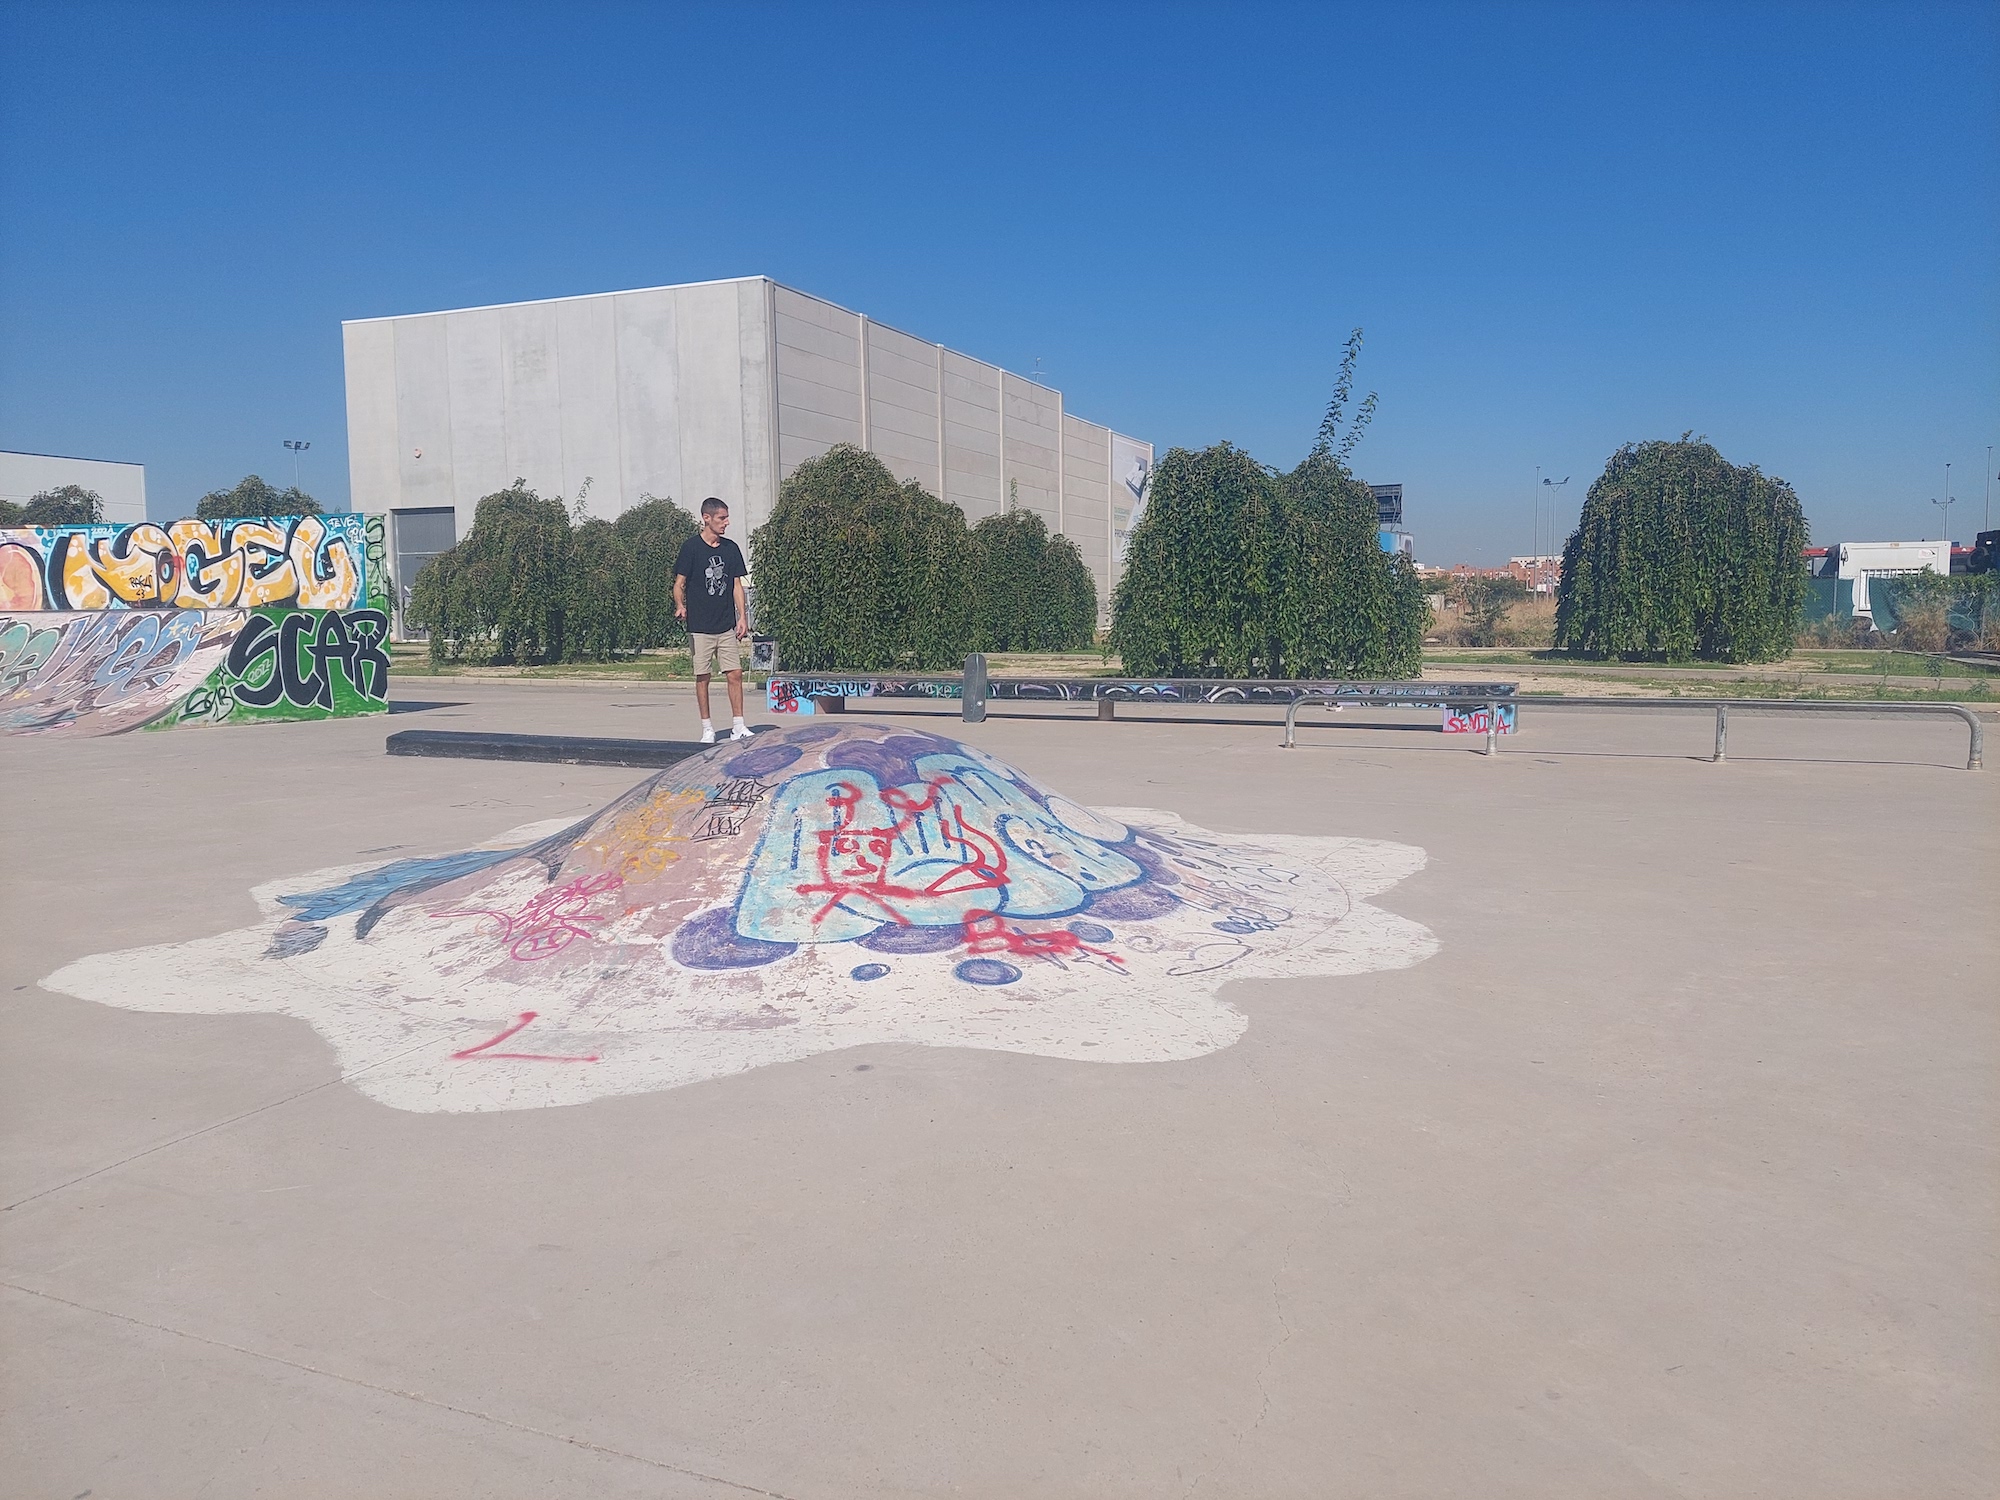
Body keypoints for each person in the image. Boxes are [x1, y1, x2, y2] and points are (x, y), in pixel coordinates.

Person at [673, 497, 752, 743]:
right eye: (721, 518)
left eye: (727, 518)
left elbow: (736, 585)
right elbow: (679, 583)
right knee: (703, 676)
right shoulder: (691, 548)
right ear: (706, 518)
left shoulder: (730, 549)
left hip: (725, 623)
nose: (726, 523)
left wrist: (742, 617)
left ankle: (738, 725)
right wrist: (680, 605)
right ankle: (707, 727)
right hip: (700, 626)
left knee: (735, 673)